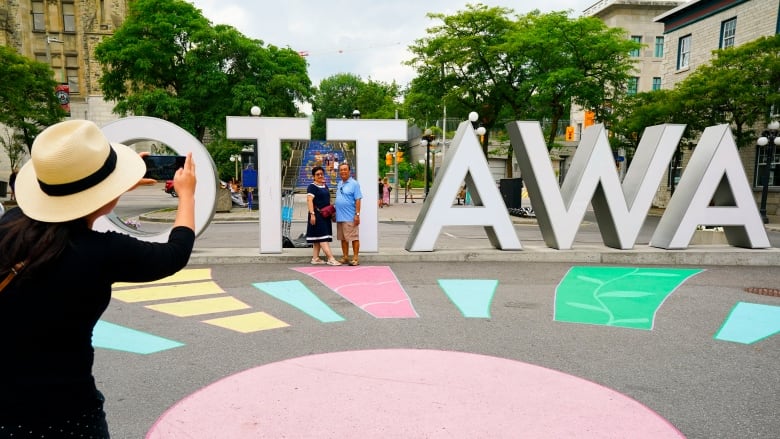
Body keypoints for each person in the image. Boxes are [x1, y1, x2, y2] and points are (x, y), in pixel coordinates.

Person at [0, 120, 197, 437]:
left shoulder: (10, 226)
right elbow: (175, 254)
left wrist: (108, 184)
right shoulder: (101, 253)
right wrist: (186, 194)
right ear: (106, 195)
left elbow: (67, 198)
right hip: (69, 416)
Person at [306, 166, 341, 266]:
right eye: (317, 174)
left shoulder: (325, 186)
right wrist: (312, 214)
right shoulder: (312, 187)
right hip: (317, 215)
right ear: (313, 176)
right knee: (323, 238)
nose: (320, 176)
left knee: (318, 238)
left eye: (321, 174)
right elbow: (309, 200)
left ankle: (315, 258)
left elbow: (328, 200)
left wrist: (332, 212)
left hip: (325, 215)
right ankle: (331, 258)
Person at [335, 162, 362, 266]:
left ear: (349, 171)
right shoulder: (340, 183)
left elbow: (358, 200)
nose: (343, 171)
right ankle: (345, 257)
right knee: (343, 238)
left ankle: (355, 258)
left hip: (350, 216)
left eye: (345, 169)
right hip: (340, 216)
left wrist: (357, 214)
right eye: (341, 170)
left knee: (354, 238)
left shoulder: (354, 184)